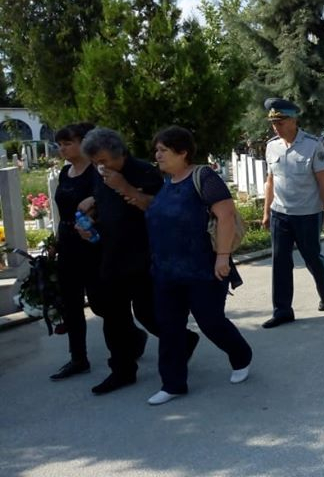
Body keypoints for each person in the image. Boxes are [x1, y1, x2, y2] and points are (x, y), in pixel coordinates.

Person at [78, 128, 199, 395]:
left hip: (144, 255)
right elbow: (105, 204)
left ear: (118, 152)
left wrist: (125, 187)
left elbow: (160, 209)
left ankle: (183, 341)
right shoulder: (100, 175)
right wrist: (89, 221)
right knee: (114, 316)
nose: (100, 167)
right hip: (112, 253)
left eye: (104, 161)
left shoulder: (145, 172)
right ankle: (121, 370)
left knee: (148, 313)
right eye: (95, 162)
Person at [144, 126, 253, 405]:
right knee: (169, 327)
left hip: (203, 268)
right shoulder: (165, 181)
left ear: (183, 152)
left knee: (211, 322)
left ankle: (240, 355)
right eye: (156, 150)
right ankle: (173, 384)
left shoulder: (203, 177)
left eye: (163, 150)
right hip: (167, 271)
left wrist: (222, 257)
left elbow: (226, 215)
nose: (157, 155)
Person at [261, 98, 324, 328]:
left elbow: (323, 182)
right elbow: (270, 181)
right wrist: (266, 212)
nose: (276, 126)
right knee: (280, 262)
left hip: (307, 213)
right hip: (280, 213)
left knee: (312, 257)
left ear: (294, 120)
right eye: (274, 122)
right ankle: (282, 310)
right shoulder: (271, 146)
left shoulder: (313, 145)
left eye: (281, 121)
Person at [49, 122, 100, 381]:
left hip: (93, 243)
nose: (63, 149)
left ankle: (134, 337)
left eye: (68, 143)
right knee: (71, 304)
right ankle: (78, 358)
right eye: (60, 145)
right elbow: (62, 212)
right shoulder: (64, 174)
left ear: (84, 142)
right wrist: (56, 242)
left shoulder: (97, 172)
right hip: (69, 242)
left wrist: (95, 203)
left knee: (101, 303)